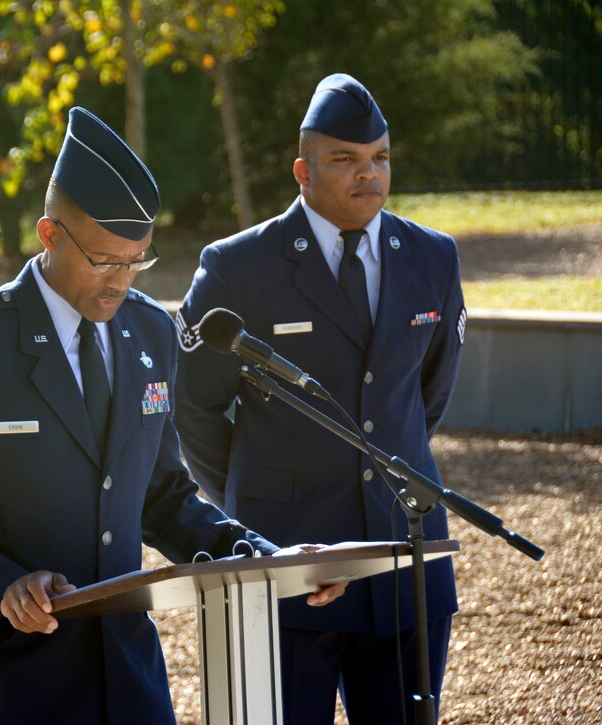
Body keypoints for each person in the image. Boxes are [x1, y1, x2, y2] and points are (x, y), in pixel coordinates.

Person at [0, 106, 346, 724]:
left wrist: (262, 556)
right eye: (104, 259)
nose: (120, 281)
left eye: (137, 260)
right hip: (3, 681)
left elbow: (161, 491)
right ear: (49, 235)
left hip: (125, 680)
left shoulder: (151, 330)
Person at [174, 73, 466, 724]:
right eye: (346, 160)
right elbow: (193, 411)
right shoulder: (236, 266)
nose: (369, 174)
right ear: (303, 171)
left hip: (403, 563)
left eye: (380, 159)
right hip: (277, 565)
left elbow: (425, 396)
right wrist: (250, 512)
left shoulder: (433, 257)